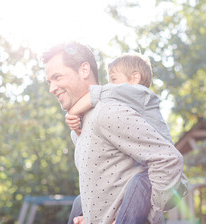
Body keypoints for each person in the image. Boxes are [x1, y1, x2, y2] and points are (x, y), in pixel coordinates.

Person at [43, 41, 185, 224]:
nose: (51, 88)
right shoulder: (78, 129)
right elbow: (111, 189)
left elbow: (168, 159)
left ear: (84, 70)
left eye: (57, 77)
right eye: (49, 81)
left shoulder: (107, 112)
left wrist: (144, 218)